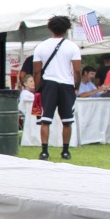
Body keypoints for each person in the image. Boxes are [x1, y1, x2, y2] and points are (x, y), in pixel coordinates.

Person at [33, 15, 81, 160]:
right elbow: (77, 70)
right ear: (67, 29)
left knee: (45, 119)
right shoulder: (72, 46)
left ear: (50, 28)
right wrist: (76, 87)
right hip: (66, 84)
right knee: (67, 120)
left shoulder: (41, 46)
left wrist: (37, 88)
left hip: (48, 84)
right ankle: (65, 150)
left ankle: (44, 151)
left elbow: (37, 71)